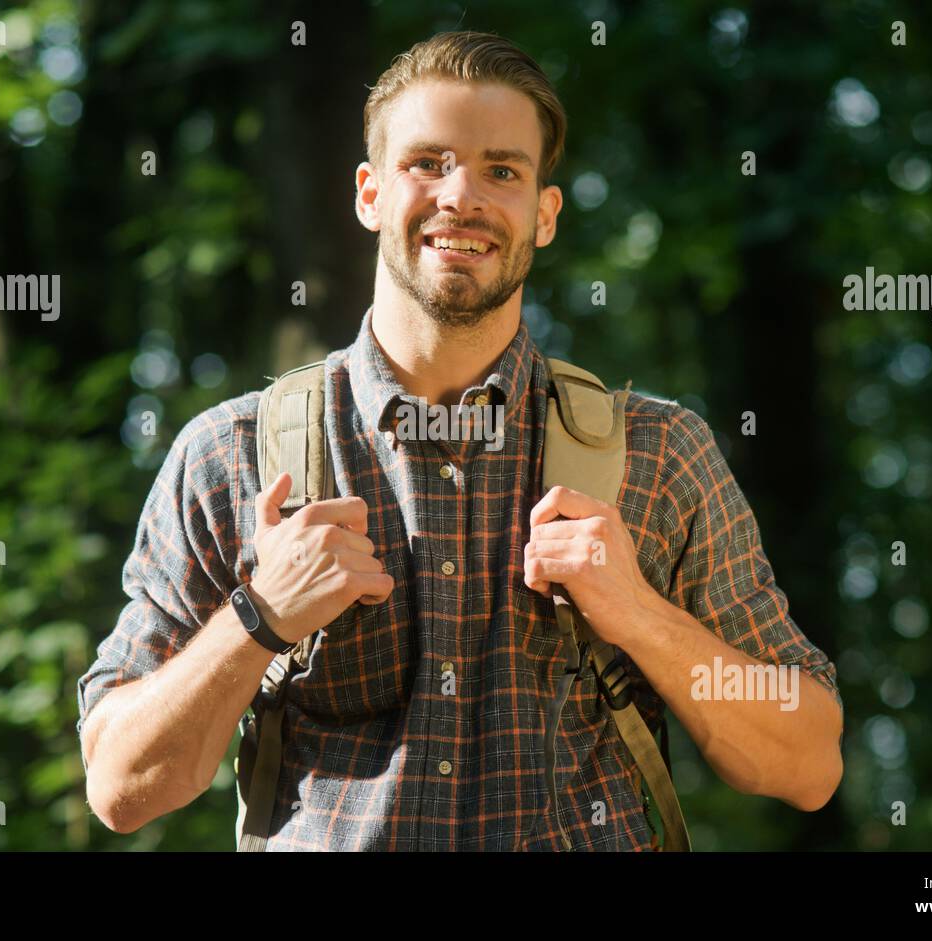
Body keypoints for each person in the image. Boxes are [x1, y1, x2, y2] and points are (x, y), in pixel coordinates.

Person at [76, 30, 843, 850]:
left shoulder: (657, 453)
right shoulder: (231, 456)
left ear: (543, 215)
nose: (462, 196)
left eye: (502, 171)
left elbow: (806, 763)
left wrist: (640, 617)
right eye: (428, 163)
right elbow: (120, 784)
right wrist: (259, 616)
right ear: (369, 193)